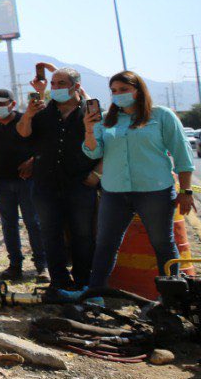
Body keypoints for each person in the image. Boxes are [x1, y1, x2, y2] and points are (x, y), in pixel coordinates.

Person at [83, 71, 194, 289]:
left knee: (163, 244)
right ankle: (94, 295)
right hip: (114, 192)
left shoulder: (161, 115)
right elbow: (93, 153)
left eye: (124, 89)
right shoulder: (105, 120)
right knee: (105, 245)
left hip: (155, 191)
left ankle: (172, 298)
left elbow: (182, 154)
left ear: (138, 90)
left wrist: (186, 191)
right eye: (114, 91)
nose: (118, 95)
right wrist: (89, 130)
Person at [17, 67, 99, 292]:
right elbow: (23, 133)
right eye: (53, 83)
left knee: (82, 235)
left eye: (61, 83)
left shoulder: (89, 112)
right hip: (45, 185)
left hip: (80, 184)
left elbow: (104, 145)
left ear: (76, 86)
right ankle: (59, 282)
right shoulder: (42, 112)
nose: (55, 88)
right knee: (50, 234)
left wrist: (96, 175)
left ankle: (83, 282)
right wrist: (29, 114)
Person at [0, 89, 46, 281]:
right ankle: (15, 265)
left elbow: (44, 146)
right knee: (9, 225)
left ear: (12, 104)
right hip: (1, 183)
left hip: (27, 182)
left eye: (1, 103)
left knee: (34, 223)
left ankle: (42, 266)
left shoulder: (27, 120)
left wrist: (33, 162)